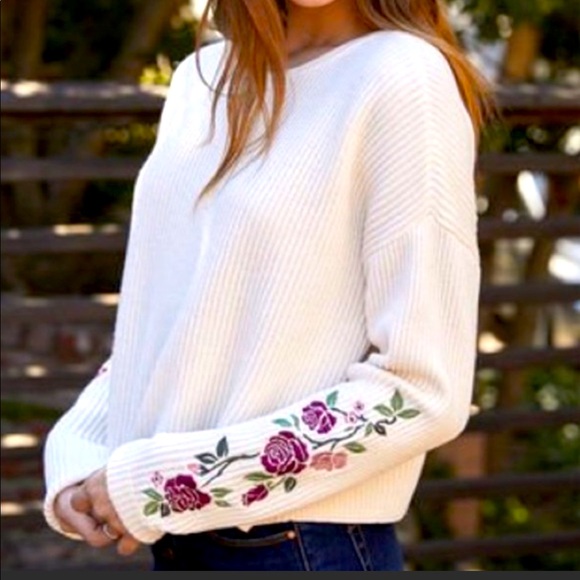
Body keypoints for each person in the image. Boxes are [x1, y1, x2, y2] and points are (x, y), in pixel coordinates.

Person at [43, 0, 492, 572]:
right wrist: (79, 452)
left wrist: (166, 484)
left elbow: (422, 391)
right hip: (182, 544)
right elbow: (168, 325)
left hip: (304, 546)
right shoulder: (200, 79)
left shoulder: (404, 76)